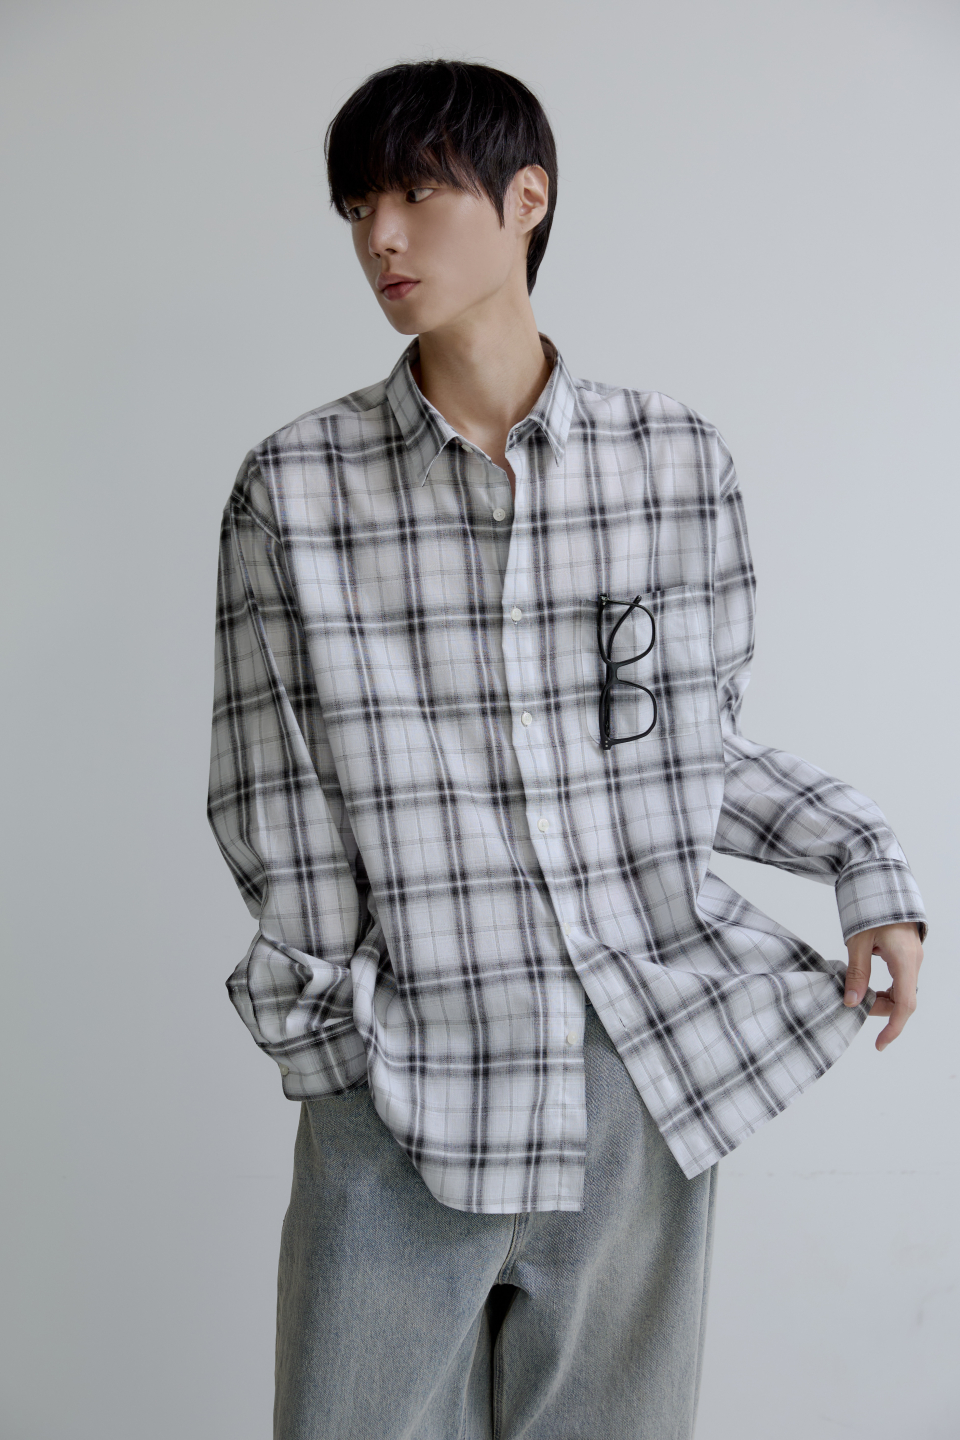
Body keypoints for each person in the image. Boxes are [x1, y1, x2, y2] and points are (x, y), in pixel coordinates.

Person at [207, 59, 926, 1440]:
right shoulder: (295, 488)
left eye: (418, 193)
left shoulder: (676, 463)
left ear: (526, 198)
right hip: (408, 1069)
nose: (381, 238)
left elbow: (691, 753)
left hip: (634, 1072)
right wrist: (338, 1048)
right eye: (358, 207)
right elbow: (269, 793)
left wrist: (863, 865)